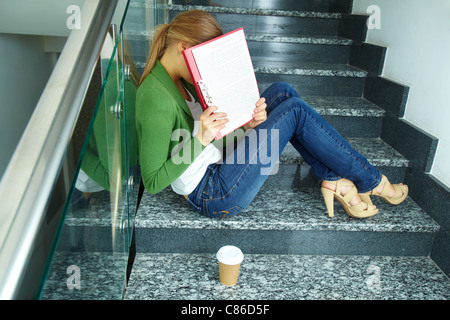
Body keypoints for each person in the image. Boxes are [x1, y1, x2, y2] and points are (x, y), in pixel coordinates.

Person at [136, 10, 408, 219]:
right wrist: (201, 138)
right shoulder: (154, 97)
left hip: (220, 163)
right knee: (295, 111)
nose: (206, 71)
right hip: (213, 193)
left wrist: (248, 127)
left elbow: (212, 139)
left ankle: (332, 178)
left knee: (282, 92)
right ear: (184, 49)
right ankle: (372, 181)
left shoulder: (183, 80)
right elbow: (152, 181)